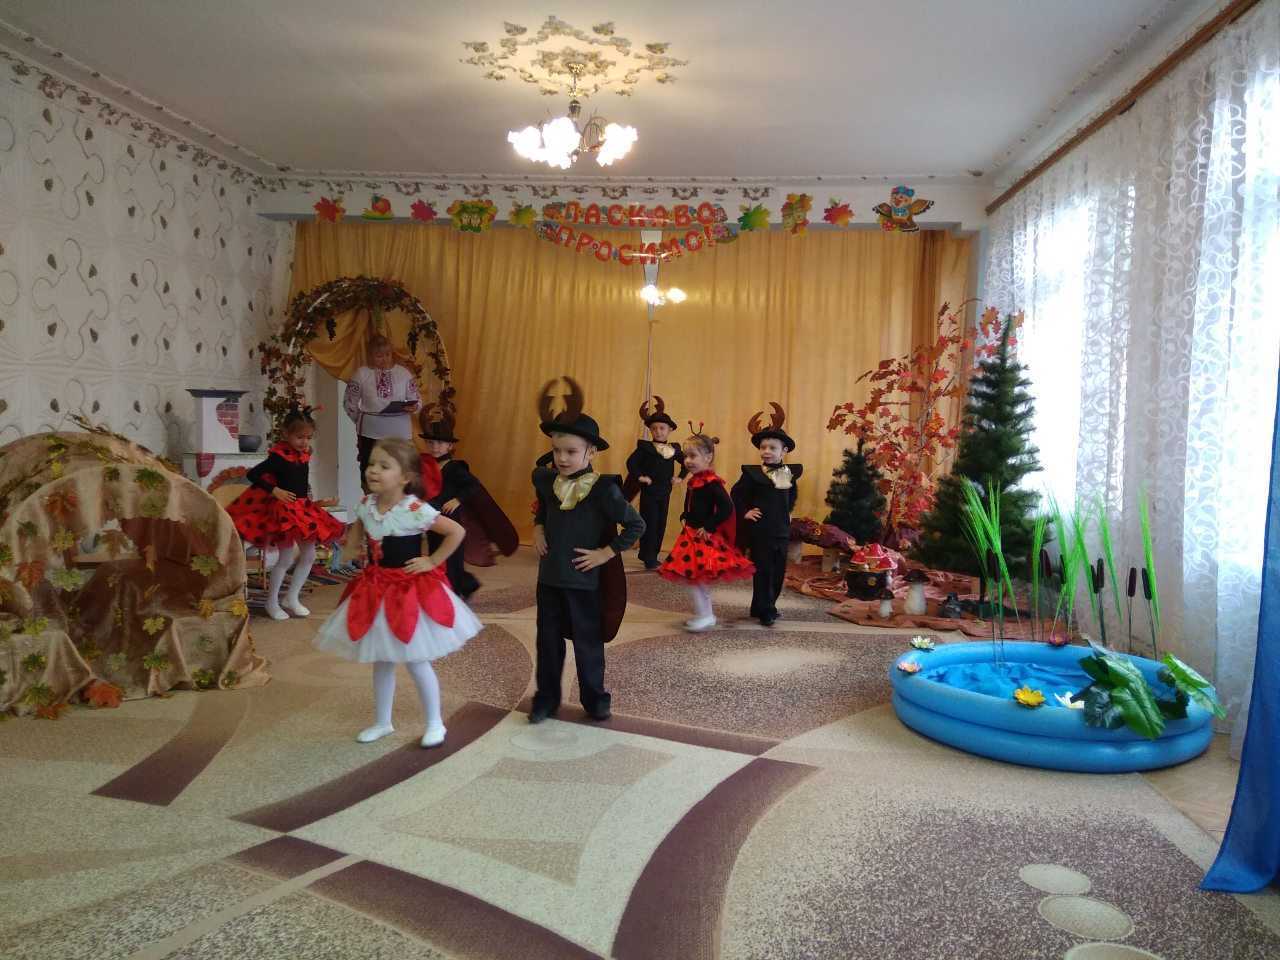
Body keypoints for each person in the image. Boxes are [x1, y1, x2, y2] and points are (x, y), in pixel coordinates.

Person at [312, 438, 482, 748]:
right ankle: (382, 722)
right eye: (371, 464)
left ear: (405, 477)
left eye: (384, 466)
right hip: (375, 588)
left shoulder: (414, 509)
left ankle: (435, 723)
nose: (373, 470)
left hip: (408, 592)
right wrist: (350, 548)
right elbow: (359, 527)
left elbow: (456, 531)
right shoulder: (367, 503)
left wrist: (432, 560)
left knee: (416, 659)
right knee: (382, 659)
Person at [531, 408, 644, 723]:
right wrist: (538, 528)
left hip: (584, 582)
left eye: (571, 451)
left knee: (588, 645)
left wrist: (606, 553)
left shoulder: (603, 490)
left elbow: (636, 525)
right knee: (547, 641)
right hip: (549, 579)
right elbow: (544, 511)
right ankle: (546, 699)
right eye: (557, 450)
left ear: (591, 452)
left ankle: (595, 699)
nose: (562, 458)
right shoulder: (548, 482)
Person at [225, 408, 345, 620]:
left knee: (309, 555)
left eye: (308, 437)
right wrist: (275, 490)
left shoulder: (304, 455)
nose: (304, 442)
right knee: (286, 558)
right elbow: (253, 474)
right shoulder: (279, 457)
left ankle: (291, 597)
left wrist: (319, 502)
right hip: (284, 512)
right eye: (299, 437)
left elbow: (301, 487)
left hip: (303, 509)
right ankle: (271, 602)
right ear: (286, 434)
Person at [657, 427, 754, 631]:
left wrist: (709, 526)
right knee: (695, 579)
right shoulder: (696, 480)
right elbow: (695, 503)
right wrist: (686, 514)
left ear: (708, 457)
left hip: (701, 536)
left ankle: (706, 615)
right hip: (691, 533)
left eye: (693, 456)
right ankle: (706, 615)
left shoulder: (712, 482)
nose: (688, 461)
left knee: (695, 579)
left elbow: (727, 507)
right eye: (686, 456)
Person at [420, 417, 518, 599]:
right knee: (437, 554)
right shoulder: (426, 466)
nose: (435, 447)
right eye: (431, 443)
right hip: (434, 520)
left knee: (452, 558)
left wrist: (457, 500)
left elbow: (473, 485)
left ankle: (453, 592)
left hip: (452, 521)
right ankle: (462, 584)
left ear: (450, 446)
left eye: (440, 443)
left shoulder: (455, 468)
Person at [732, 404, 804, 627]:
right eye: (763, 447)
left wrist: (789, 512)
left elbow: (792, 494)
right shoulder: (753, 474)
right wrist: (746, 511)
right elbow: (736, 494)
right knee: (763, 570)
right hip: (761, 530)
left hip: (781, 530)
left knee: (778, 571)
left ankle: (762, 605)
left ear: (784, 451)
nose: (766, 451)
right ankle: (767, 610)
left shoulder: (788, 474)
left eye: (772, 448)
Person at [343, 334, 420, 491]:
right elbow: (349, 402)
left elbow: (416, 399)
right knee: (371, 468)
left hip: (400, 432)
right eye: (379, 356)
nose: (384, 359)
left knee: (402, 467)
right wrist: (362, 420)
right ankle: (371, 500)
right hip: (371, 433)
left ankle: (400, 501)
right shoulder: (362, 374)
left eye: (387, 355)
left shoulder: (404, 373)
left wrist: (414, 407)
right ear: (370, 356)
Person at [624, 397, 686, 569]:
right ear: (650, 430)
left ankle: (653, 554)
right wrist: (640, 476)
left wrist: (680, 477)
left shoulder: (673, 449)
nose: (658, 431)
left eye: (662, 428)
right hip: (650, 492)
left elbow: (686, 463)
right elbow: (631, 463)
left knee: (660, 524)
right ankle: (649, 557)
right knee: (650, 523)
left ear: (670, 430)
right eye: (654, 428)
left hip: (665, 491)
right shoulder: (645, 448)